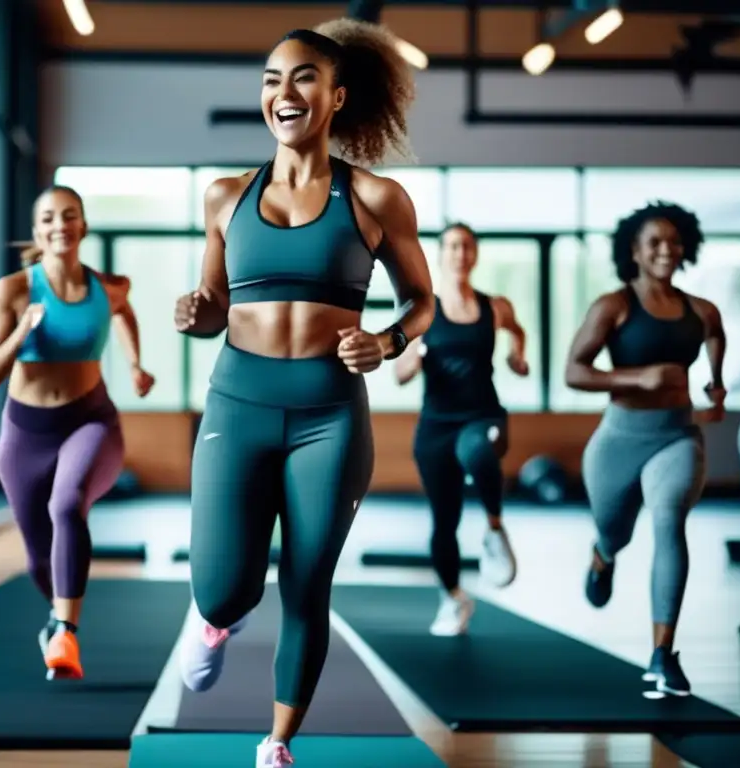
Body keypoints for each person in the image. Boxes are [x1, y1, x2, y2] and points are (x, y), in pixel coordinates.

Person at [173, 20, 434, 767]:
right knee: (222, 589)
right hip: (238, 405)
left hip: (329, 417)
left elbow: (422, 303)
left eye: (303, 78)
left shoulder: (378, 198)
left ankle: (277, 744)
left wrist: (386, 342)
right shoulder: (225, 197)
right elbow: (215, 306)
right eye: (270, 80)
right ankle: (217, 622)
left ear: (337, 96)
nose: (283, 93)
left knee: (308, 582)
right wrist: (197, 315)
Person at [0, 185, 154, 681]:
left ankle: (65, 635)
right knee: (38, 557)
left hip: (90, 421)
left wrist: (136, 363)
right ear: (37, 232)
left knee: (66, 505)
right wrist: (20, 332)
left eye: (69, 215)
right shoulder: (12, 291)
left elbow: (124, 311)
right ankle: (57, 618)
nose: (60, 225)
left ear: (83, 226)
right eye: (48, 217)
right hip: (25, 434)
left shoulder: (109, 287)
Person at [565, 201, 725, 699]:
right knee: (616, 531)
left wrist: (715, 387)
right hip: (618, 440)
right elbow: (575, 371)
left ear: (686, 248)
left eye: (674, 241)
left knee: (668, 519)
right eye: (654, 241)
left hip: (677, 437)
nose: (665, 249)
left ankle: (662, 655)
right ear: (633, 251)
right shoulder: (613, 306)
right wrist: (639, 376)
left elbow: (715, 338)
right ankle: (602, 554)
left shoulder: (702, 310)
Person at [393, 222, 528, 636]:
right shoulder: (422, 311)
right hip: (435, 426)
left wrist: (517, 357)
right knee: (443, 521)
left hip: (483, 416)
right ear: (441, 254)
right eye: (452, 246)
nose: (459, 253)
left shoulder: (495, 306)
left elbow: (517, 331)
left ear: (475, 254)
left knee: (477, 452)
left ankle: (493, 527)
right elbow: (399, 374)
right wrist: (415, 357)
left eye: (466, 246)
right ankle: (452, 598)